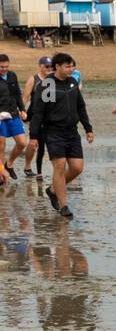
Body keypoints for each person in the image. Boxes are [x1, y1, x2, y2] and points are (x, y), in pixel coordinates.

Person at [27, 52, 93, 219]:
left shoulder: (72, 82)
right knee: (59, 165)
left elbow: (81, 106)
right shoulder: (47, 84)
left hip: (72, 132)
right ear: (57, 67)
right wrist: (33, 136)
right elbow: (38, 112)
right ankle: (64, 206)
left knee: (77, 168)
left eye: (72, 66)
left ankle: (53, 189)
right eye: (68, 66)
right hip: (53, 131)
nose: (71, 69)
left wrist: (88, 128)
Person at [21, 56, 53, 177]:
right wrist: (21, 112)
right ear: (40, 66)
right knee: (33, 143)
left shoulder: (53, 80)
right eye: (46, 66)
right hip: (34, 114)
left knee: (46, 142)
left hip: (49, 116)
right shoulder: (33, 79)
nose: (49, 69)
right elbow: (25, 97)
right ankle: (28, 166)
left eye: (51, 67)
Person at [0, 54, 27, 182]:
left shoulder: (12, 75)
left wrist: (22, 109)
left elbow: (17, 94)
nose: (4, 69)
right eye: (1, 67)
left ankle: (9, 164)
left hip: (13, 113)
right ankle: (1, 173)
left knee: (22, 143)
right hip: (0, 116)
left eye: (6, 66)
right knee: (1, 144)